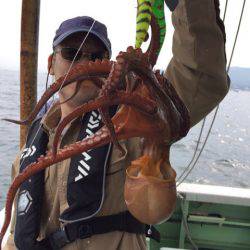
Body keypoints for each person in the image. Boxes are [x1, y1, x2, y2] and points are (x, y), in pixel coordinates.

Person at [4, 0, 229, 249]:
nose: (84, 64)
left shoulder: (134, 122)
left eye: (97, 56)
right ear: (50, 63)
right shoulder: (30, 151)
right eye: (71, 53)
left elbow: (202, 76)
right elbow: (17, 232)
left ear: (110, 67)